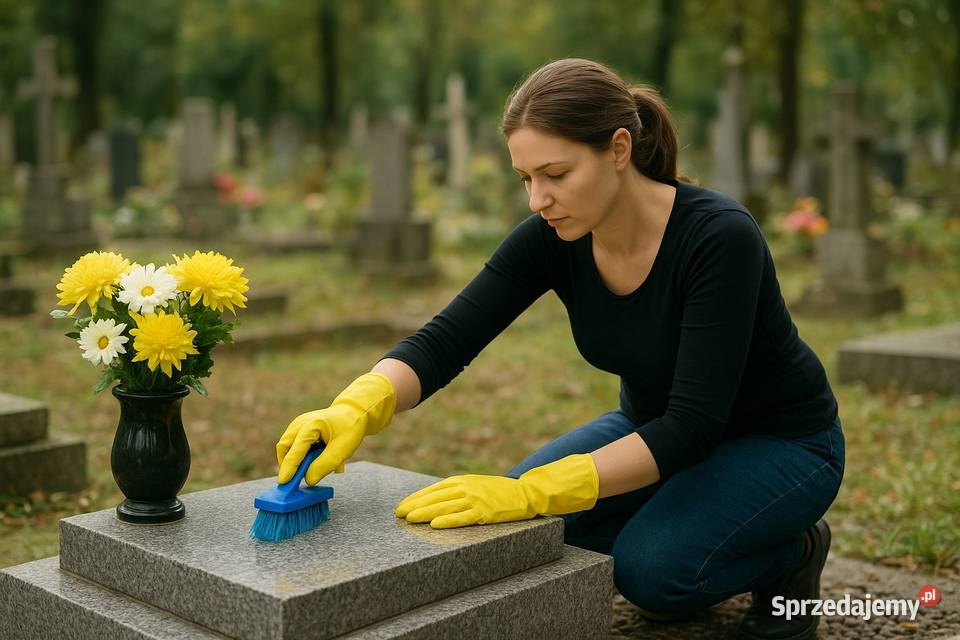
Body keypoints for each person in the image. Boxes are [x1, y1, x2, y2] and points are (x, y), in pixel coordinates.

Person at [274, 58, 844, 640]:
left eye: (555, 174)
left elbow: (695, 424)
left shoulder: (719, 237)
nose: (537, 199)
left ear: (618, 149)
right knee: (523, 536)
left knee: (652, 574)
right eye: (526, 178)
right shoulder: (553, 236)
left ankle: (792, 554)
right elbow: (446, 341)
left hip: (781, 442)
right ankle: (689, 522)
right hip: (649, 430)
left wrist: (533, 491)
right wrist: (357, 405)